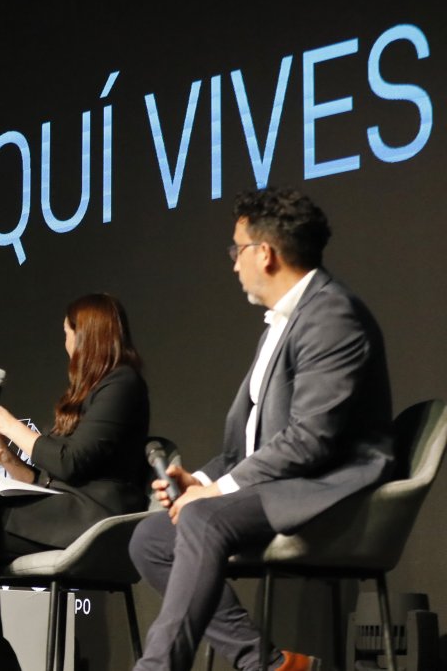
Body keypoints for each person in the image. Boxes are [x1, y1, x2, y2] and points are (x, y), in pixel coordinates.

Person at [130, 188, 393, 671]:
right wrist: (202, 482)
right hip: (279, 482)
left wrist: (216, 494)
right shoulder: (282, 323)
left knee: (202, 519)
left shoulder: (331, 315)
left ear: (264, 254)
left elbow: (313, 439)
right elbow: (246, 444)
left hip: (327, 489)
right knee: (149, 541)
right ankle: (270, 665)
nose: (233, 264)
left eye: (237, 249)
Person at [0, 293, 150, 670]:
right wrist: (3, 455)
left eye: (68, 333)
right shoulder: (88, 393)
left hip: (99, 520)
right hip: (67, 510)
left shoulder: (122, 385)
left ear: (87, 335)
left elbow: (71, 463)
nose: (65, 343)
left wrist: (8, 424)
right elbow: (49, 477)